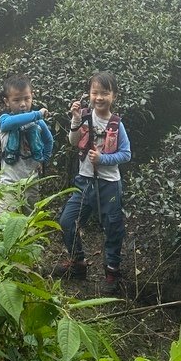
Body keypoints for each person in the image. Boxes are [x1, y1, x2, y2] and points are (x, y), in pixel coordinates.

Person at [51, 71, 131, 295]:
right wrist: (75, 119)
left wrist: (103, 159)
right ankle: (78, 263)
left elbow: (126, 154)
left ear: (113, 95)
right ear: (89, 94)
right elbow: (73, 141)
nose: (99, 97)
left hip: (109, 184)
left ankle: (112, 273)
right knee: (68, 221)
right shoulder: (85, 116)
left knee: (113, 228)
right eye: (95, 92)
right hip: (84, 181)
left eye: (104, 93)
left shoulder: (116, 124)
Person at [0, 74, 53, 215]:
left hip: (31, 182)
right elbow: (10, 123)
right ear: (6, 101)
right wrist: (37, 114)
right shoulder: (5, 120)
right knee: (2, 217)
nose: (22, 104)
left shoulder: (39, 123)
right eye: (16, 100)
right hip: (9, 182)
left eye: (27, 98)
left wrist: (43, 158)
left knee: (30, 218)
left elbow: (49, 140)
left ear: (32, 96)